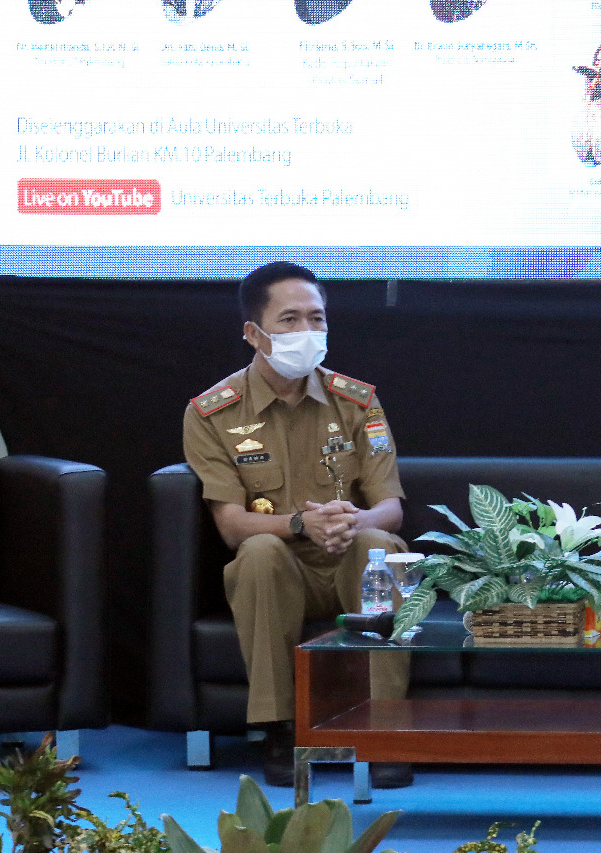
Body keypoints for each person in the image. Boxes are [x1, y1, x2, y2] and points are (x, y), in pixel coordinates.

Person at [183, 261, 412, 788]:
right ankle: (282, 728)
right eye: (289, 320)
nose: (306, 331)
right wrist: (302, 524)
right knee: (259, 552)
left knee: (379, 542)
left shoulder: (357, 400)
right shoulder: (213, 413)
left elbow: (390, 506)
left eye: (316, 318)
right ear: (253, 333)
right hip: (281, 571)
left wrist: (352, 521)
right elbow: (232, 525)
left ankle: (385, 727)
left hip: (351, 560)